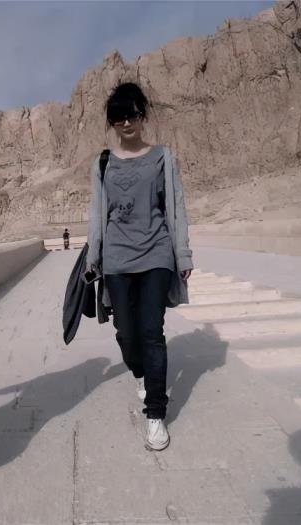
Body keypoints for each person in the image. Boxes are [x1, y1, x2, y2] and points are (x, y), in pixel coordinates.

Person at [85, 82, 194, 451]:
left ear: (143, 115)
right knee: (126, 333)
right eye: (119, 117)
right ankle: (140, 372)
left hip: (156, 253)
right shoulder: (102, 163)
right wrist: (93, 258)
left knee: (151, 331)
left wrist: (183, 254)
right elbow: (96, 214)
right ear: (112, 122)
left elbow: (176, 207)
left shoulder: (163, 157)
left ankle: (156, 414)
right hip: (117, 258)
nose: (127, 123)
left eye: (132, 115)